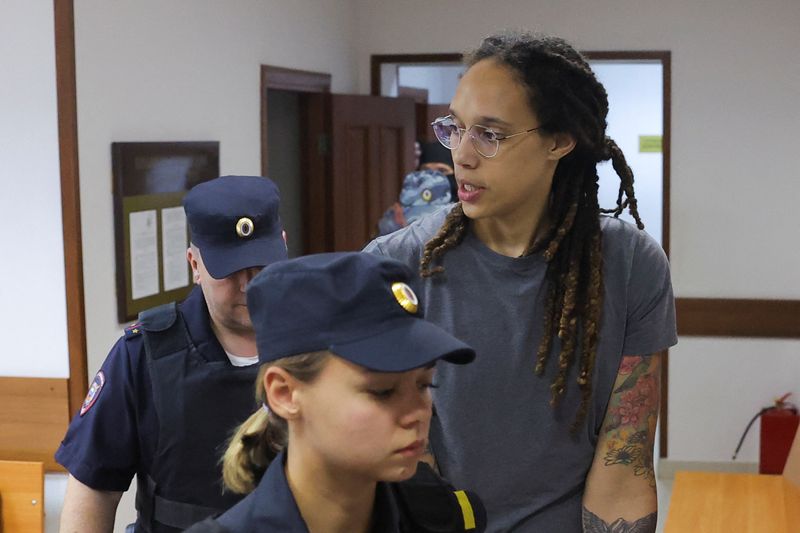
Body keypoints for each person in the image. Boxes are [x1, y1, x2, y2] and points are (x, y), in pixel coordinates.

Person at [365, 31, 677, 533]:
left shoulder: (630, 264)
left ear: (559, 140)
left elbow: (625, 462)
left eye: (489, 134)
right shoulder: (395, 265)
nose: (461, 156)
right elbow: (406, 467)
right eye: (455, 128)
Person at [185, 252, 486, 533]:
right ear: (284, 394)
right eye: (382, 391)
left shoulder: (438, 513)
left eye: (424, 384)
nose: (418, 413)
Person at [56, 175, 290, 533]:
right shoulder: (144, 355)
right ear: (195, 265)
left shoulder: (318, 341)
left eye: (261, 264)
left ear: (283, 249)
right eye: (230, 270)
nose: (248, 282)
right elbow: (93, 489)